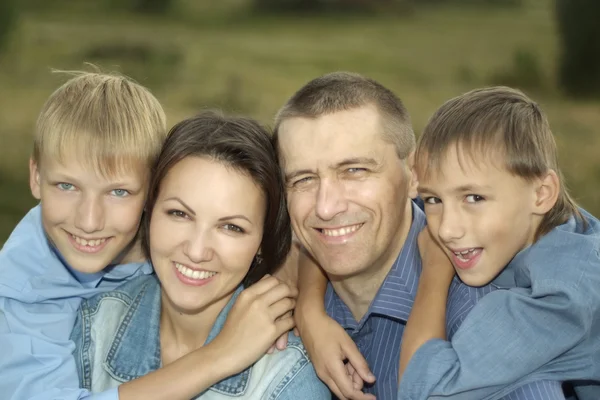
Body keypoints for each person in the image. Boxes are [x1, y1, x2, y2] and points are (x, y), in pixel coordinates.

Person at [273, 72, 566, 400]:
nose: (326, 207)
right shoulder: (270, 304)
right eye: (303, 179)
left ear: (415, 175)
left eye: (354, 171)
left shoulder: (489, 320)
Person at [70, 111, 330, 399]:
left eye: (231, 227)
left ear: (261, 241)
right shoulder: (91, 327)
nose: (196, 251)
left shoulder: (287, 376)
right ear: (149, 209)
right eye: (179, 214)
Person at [396, 86, 600, 400]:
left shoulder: (561, 295)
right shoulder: (538, 222)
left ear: (541, 194)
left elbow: (427, 390)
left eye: (474, 197)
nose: (447, 229)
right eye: (434, 199)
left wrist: (435, 270)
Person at [0, 70, 167, 400]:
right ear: (36, 177)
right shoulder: (21, 290)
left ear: (153, 190)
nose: (89, 221)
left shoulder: (183, 234)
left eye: (118, 192)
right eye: (67, 186)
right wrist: (219, 358)